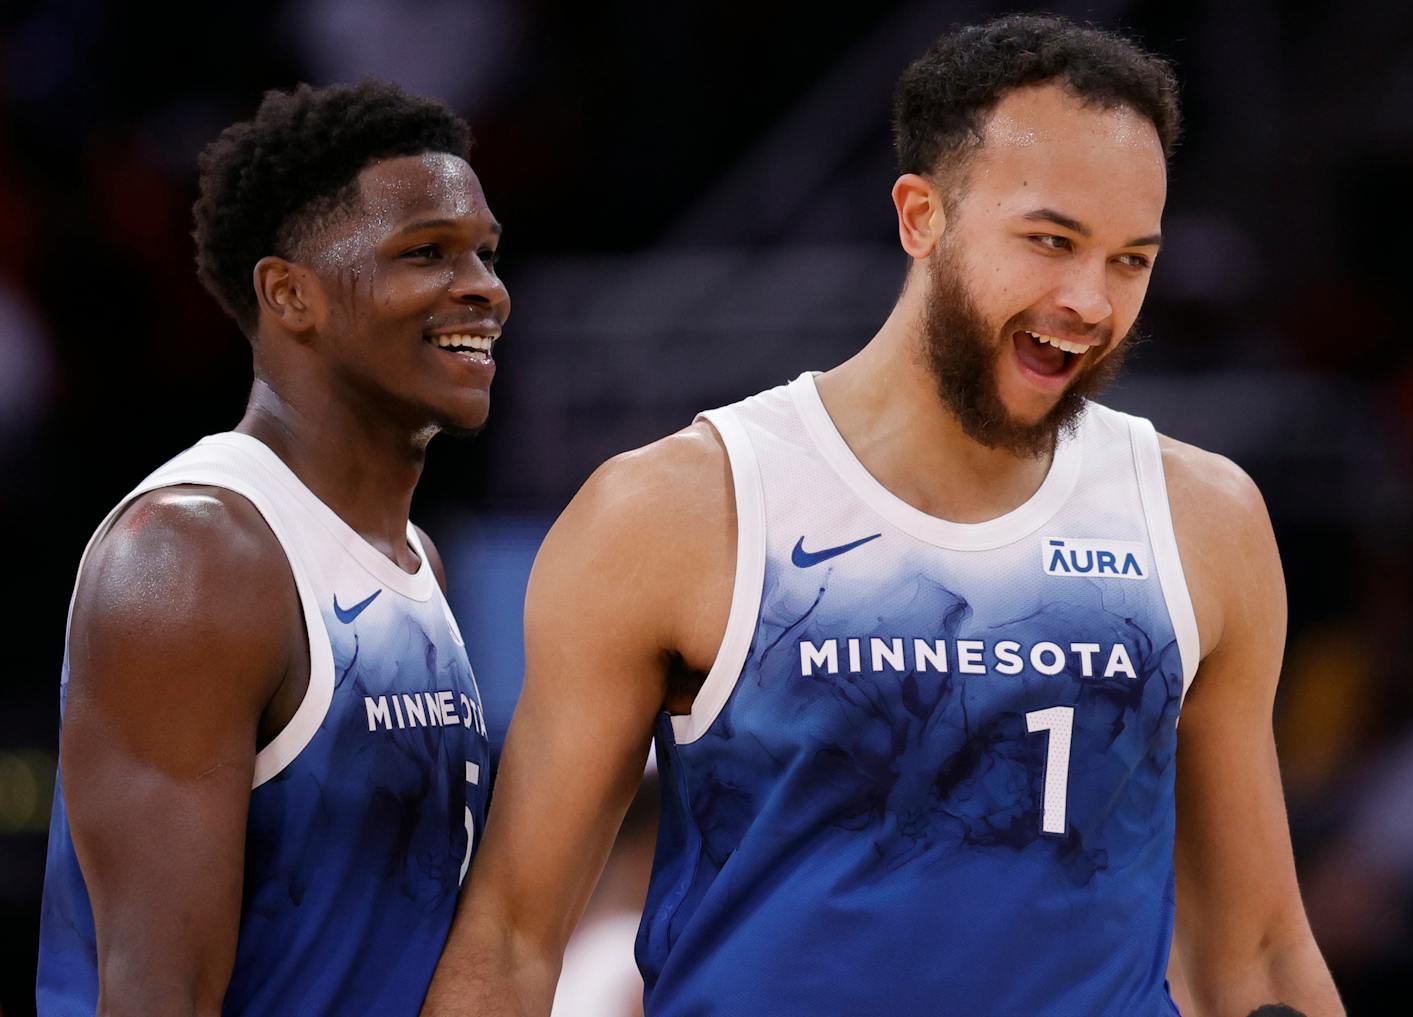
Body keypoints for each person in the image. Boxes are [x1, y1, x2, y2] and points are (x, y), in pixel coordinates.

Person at [423, 15, 1343, 1017]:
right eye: (1049, 241)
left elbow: (1252, 952)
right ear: (920, 217)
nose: (1088, 299)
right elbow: (509, 943)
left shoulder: (1202, 517)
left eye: (1129, 259)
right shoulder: (675, 510)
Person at [37, 79, 507, 1017]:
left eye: (487, 254)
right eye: (427, 252)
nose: (484, 289)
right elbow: (155, 994)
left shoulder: (415, 560)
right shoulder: (192, 557)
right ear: (289, 293)